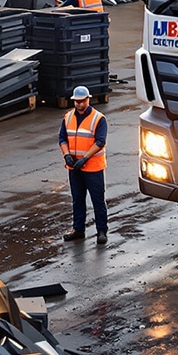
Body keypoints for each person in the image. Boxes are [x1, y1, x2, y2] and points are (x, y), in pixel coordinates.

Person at [59, 85, 109, 245]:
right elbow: (62, 138)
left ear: (88, 99)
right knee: (77, 199)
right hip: (74, 167)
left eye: (82, 101)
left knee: (97, 200)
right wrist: (66, 155)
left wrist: (85, 158)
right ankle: (78, 229)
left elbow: (100, 142)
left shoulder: (98, 119)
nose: (79, 105)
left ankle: (102, 231)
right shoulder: (68, 117)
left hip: (93, 167)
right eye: (77, 102)